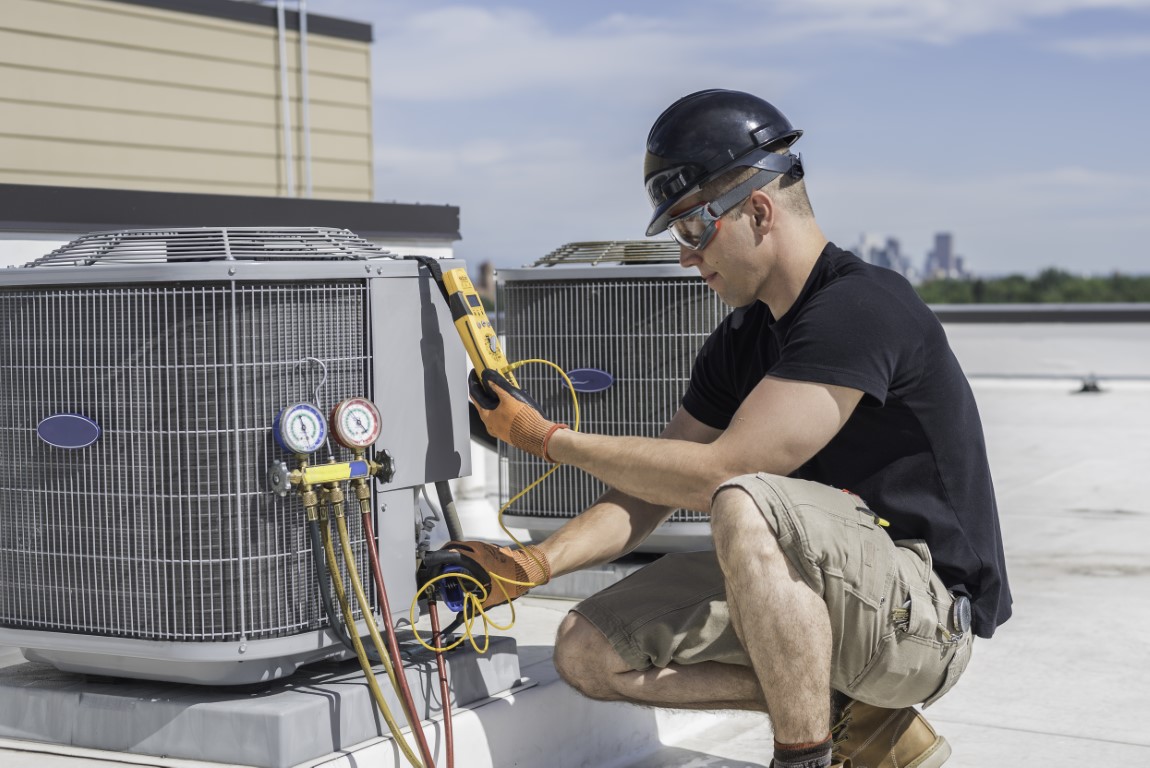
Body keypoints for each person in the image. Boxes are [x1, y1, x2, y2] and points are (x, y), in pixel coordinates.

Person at [450, 88, 1012, 768]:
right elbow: (655, 483)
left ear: (758, 210)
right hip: (832, 600)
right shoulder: (740, 340)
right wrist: (535, 562)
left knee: (744, 500)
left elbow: (723, 472)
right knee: (587, 650)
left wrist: (545, 439)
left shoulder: (860, 308)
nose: (687, 257)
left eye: (691, 230)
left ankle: (803, 757)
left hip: (921, 620)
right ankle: (853, 719)